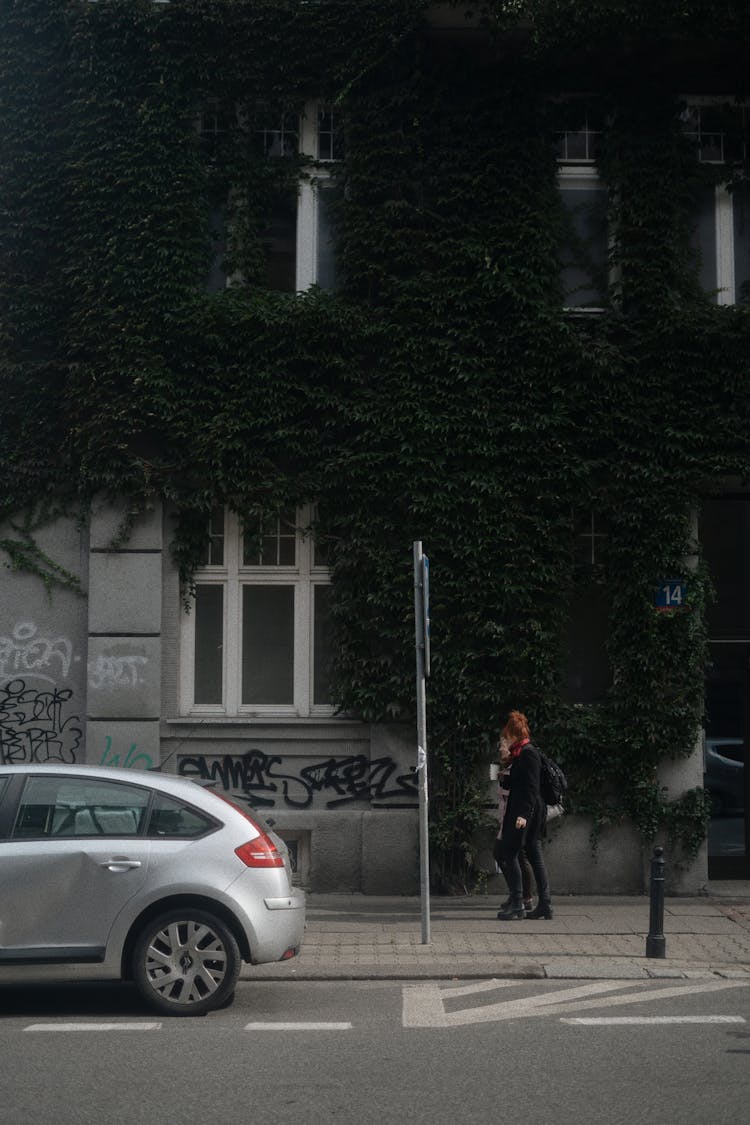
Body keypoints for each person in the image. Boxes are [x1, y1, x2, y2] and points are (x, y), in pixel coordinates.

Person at [494, 709, 552, 921]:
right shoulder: (521, 753)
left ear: (514, 735)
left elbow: (530, 787)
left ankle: (518, 903)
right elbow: (519, 783)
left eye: (507, 736)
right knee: (534, 855)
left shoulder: (528, 753)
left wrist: (523, 815)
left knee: (509, 853)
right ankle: (544, 904)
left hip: (525, 812)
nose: (505, 739)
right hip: (527, 811)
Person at [493, 736, 534, 914]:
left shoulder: (518, 763)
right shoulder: (508, 766)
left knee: (514, 855)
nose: (500, 748)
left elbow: (524, 791)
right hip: (508, 818)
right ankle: (518, 896)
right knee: (508, 855)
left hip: (516, 818)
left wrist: (521, 815)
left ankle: (522, 898)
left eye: (502, 744)